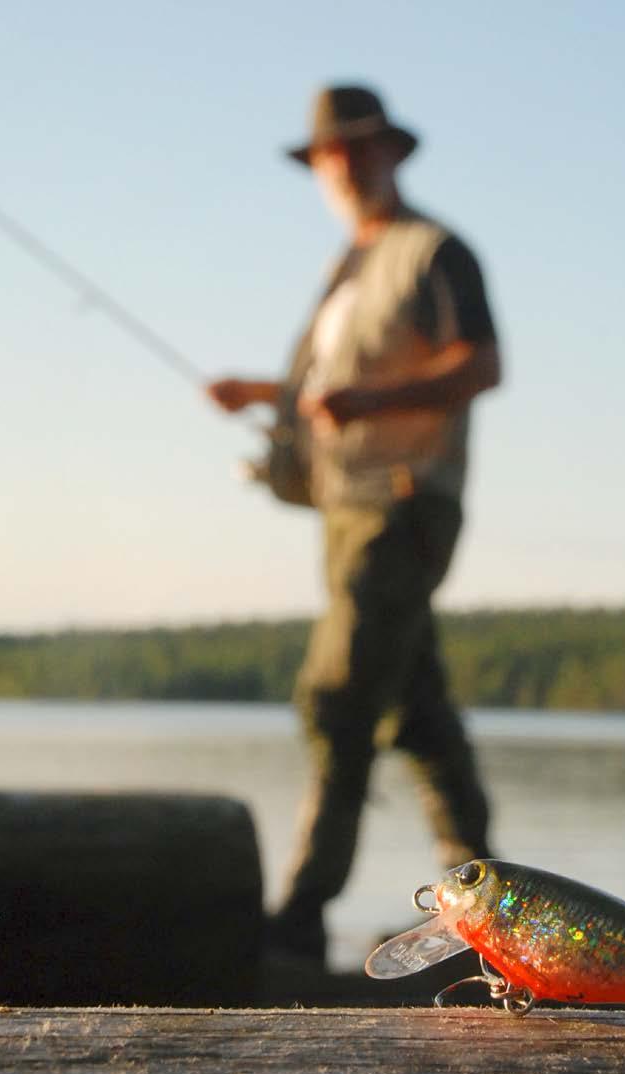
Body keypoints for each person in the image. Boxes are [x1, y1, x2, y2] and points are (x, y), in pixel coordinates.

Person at [208, 84, 501, 964]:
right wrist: (261, 393)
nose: (345, 166)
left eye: (361, 149)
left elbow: (481, 364)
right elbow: (322, 393)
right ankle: (492, 915)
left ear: (392, 155)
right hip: (344, 512)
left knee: (337, 697)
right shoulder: (347, 267)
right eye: (332, 154)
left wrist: (370, 397)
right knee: (417, 713)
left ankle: (295, 927)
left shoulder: (433, 251)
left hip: (402, 504)